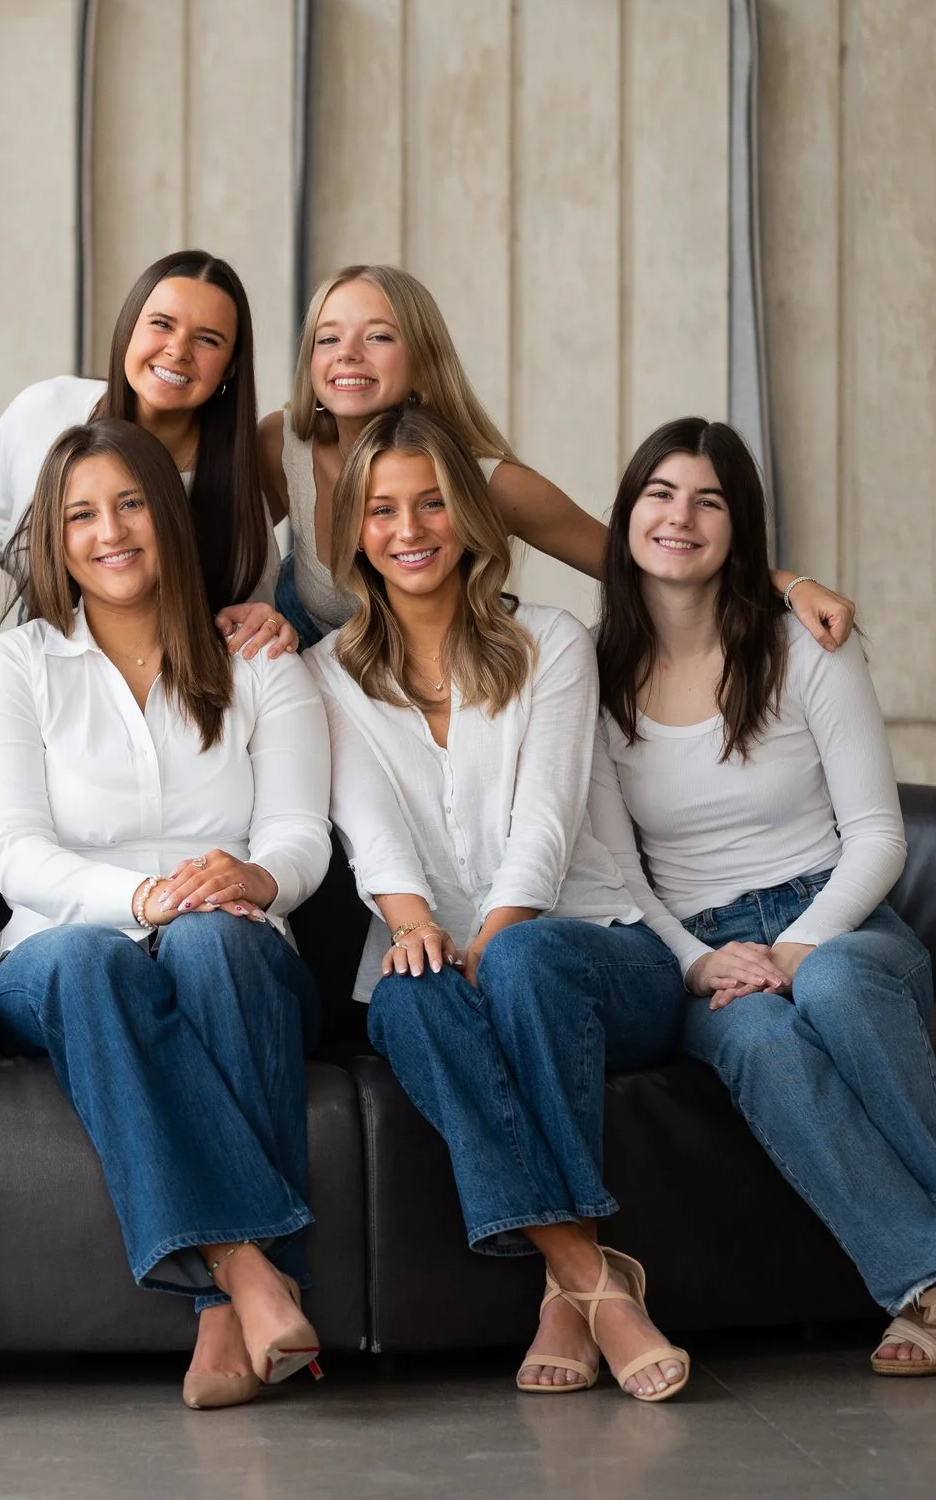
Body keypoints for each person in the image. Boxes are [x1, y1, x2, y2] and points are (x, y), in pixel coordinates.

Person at [587, 417, 936, 1386]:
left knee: (841, 989)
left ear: (740, 528)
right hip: (702, 952)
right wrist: (697, 959)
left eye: (708, 499)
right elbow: (615, 868)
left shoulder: (804, 645)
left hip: (843, 920)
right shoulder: (594, 676)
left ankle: (924, 1291)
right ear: (626, 515)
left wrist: (802, 945)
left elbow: (878, 837)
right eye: (659, 493)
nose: (679, 516)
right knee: (763, 1041)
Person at [0, 417, 333, 1411]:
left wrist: (255, 880)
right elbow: (15, 853)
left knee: (212, 941)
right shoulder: (14, 669)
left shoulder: (257, 660)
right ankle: (253, 1273)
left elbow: (302, 834)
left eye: (128, 504)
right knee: (95, 961)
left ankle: (215, 1313)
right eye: (79, 514)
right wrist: (137, 898)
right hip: (60, 948)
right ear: (53, 536)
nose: (107, 531)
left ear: (167, 515)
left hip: (232, 942)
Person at [310, 405, 688, 1402]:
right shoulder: (326, 674)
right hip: (433, 946)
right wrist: (415, 926)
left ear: (470, 515)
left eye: (432, 501)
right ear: (353, 529)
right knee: (403, 997)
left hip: (599, 954)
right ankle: (586, 1277)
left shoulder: (552, 642)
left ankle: (577, 1292)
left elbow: (546, 827)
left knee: (515, 963)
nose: (409, 527)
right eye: (383, 508)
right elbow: (369, 830)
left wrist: (491, 938)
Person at [261, 263, 857, 654]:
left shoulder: (489, 483)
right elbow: (202, 550)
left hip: (422, 676)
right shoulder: (281, 444)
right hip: (307, 659)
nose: (349, 355)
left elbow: (630, 561)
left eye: (379, 336)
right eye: (328, 337)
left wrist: (785, 584)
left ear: (421, 359)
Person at [0, 250, 292, 658]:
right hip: (48, 642)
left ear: (230, 368)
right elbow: (1, 519)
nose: (178, 350)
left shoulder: (235, 490)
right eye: (161, 324)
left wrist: (267, 624)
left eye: (207, 339)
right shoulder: (44, 411)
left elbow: (252, 623)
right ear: (128, 329)